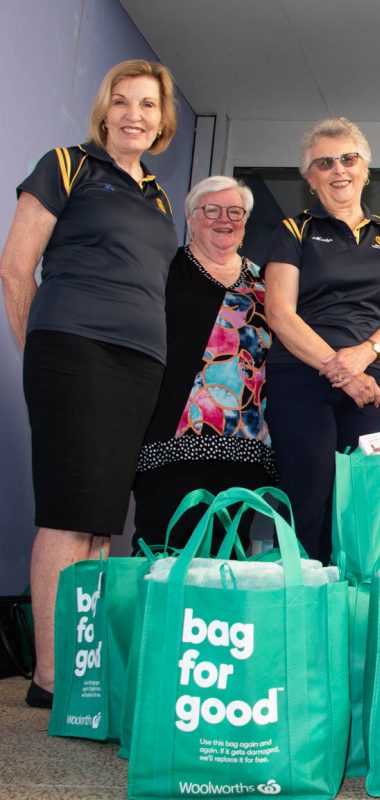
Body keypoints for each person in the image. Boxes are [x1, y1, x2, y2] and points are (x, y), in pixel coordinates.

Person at [0, 60, 180, 707]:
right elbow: (17, 269)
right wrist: (40, 352)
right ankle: (51, 678)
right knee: (68, 514)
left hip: (139, 365)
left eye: (149, 105)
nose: (136, 114)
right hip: (74, 352)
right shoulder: (67, 165)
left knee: (102, 523)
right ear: (106, 110)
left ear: (162, 121)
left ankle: (82, 662)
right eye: (124, 102)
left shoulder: (159, 196)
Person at [263, 116, 380, 562]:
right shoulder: (293, 231)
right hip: (302, 375)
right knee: (307, 494)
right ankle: (298, 604)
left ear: (365, 169)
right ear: (310, 179)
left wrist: (365, 355)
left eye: (348, 159)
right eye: (324, 162)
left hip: (375, 381)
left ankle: (353, 612)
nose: (339, 170)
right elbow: (279, 312)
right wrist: (341, 368)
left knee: (364, 504)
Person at [132, 176, 274, 549]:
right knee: (165, 547)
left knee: (230, 556)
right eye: (211, 210)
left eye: (234, 211)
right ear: (191, 218)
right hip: (172, 438)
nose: (223, 219)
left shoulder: (266, 282)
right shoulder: (165, 270)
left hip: (244, 442)